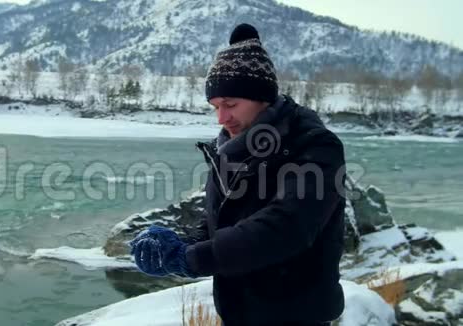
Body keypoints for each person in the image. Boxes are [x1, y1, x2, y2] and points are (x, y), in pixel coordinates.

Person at [129, 23, 346, 326]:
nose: (222, 118)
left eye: (230, 104)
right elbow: (220, 222)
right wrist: (179, 244)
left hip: (297, 316)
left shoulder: (315, 146)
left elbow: (286, 227)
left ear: (263, 97)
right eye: (215, 106)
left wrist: (192, 260)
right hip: (238, 313)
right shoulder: (230, 148)